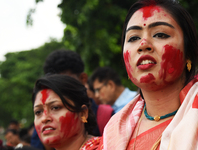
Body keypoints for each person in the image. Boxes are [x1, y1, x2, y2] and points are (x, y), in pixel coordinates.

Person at [98, 0, 198, 149]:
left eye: (160, 34)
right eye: (133, 38)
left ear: (188, 52)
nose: (143, 44)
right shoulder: (113, 132)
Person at [32, 74, 100, 150]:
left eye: (55, 107)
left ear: (83, 113)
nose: (44, 118)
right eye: (38, 112)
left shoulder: (109, 145)